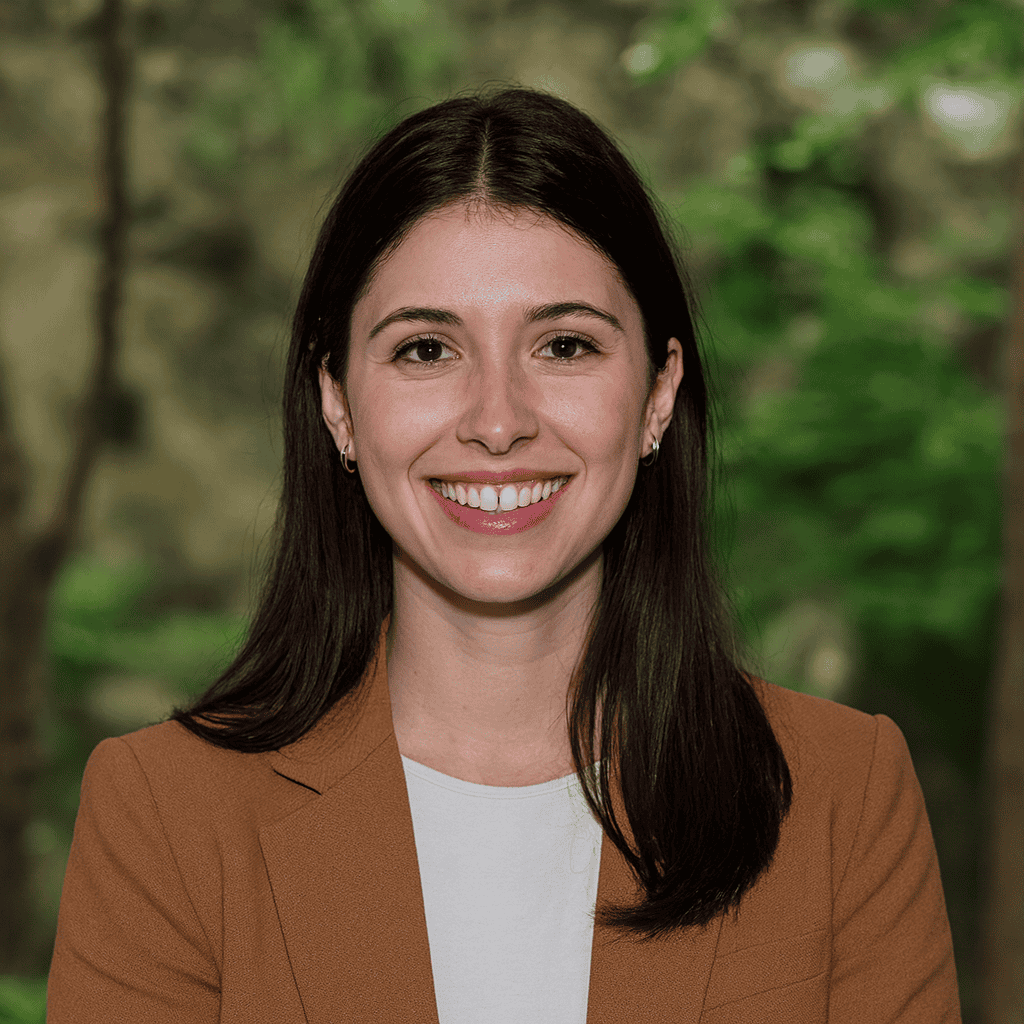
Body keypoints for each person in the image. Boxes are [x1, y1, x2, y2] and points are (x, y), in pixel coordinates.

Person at [46, 85, 961, 1023]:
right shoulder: (167, 812)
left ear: (658, 395)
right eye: (425, 350)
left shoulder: (842, 793)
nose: (497, 422)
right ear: (337, 402)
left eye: (563, 345)